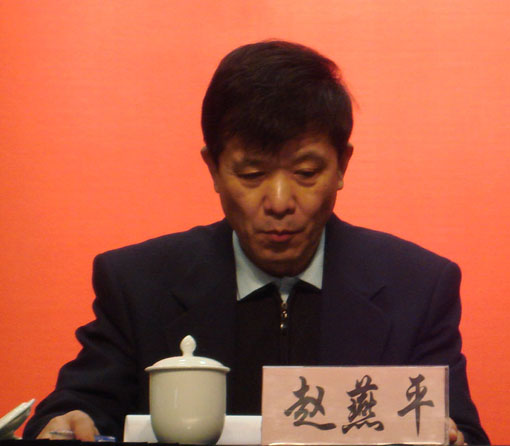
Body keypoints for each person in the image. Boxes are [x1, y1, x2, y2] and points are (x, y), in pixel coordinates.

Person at [24, 40, 489, 444]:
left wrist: (453, 437)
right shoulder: (139, 284)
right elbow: (75, 408)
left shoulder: (418, 287)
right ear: (213, 169)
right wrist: (67, 423)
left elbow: (461, 429)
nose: (280, 202)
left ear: (342, 166)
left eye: (306, 172)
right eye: (251, 174)